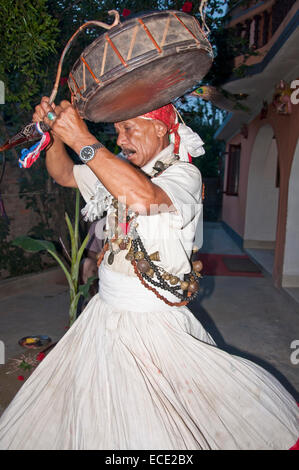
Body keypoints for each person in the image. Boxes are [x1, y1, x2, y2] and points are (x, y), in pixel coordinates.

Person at [0, 97, 298, 450]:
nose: (121, 140)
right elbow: (64, 174)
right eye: (117, 132)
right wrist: (55, 136)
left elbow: (143, 198)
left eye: (129, 129)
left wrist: (83, 139)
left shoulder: (183, 174)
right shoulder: (113, 169)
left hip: (152, 320)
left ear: (160, 128)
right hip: (105, 311)